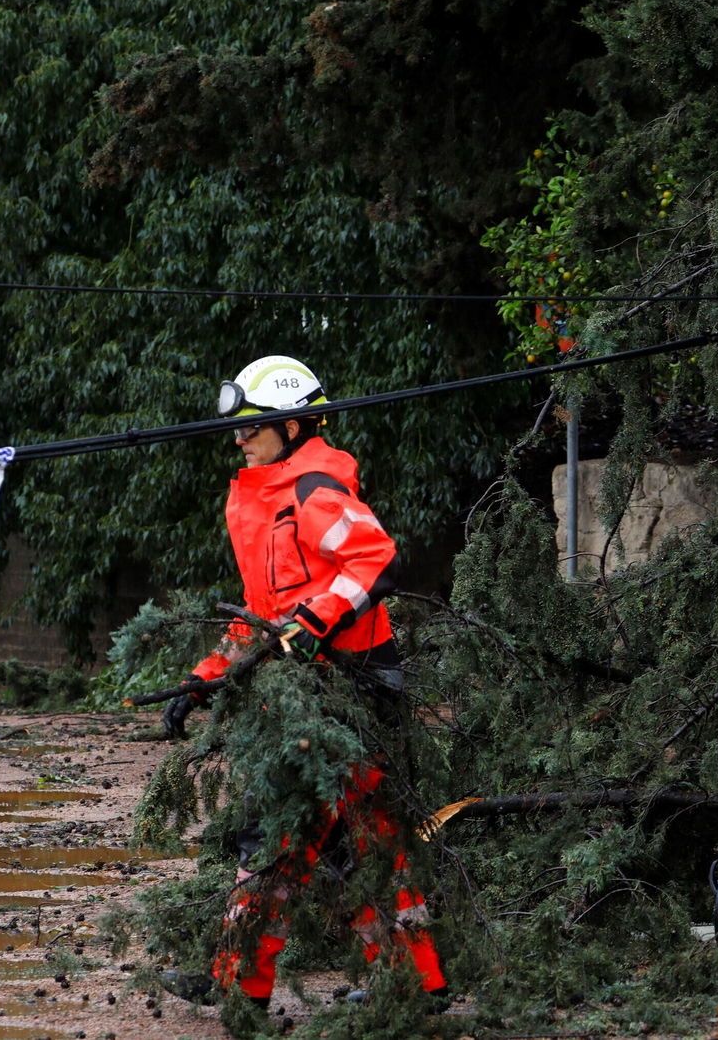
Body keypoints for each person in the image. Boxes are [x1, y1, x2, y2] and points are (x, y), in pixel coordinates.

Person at [161, 355, 447, 1011]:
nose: (239, 438)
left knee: (284, 836)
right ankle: (416, 984)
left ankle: (239, 981)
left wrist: (316, 624)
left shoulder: (314, 489)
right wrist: (203, 679)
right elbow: (262, 614)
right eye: (237, 429)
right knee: (359, 845)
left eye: (251, 427)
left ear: (292, 424)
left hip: (351, 691)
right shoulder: (263, 499)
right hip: (305, 692)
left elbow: (377, 561)